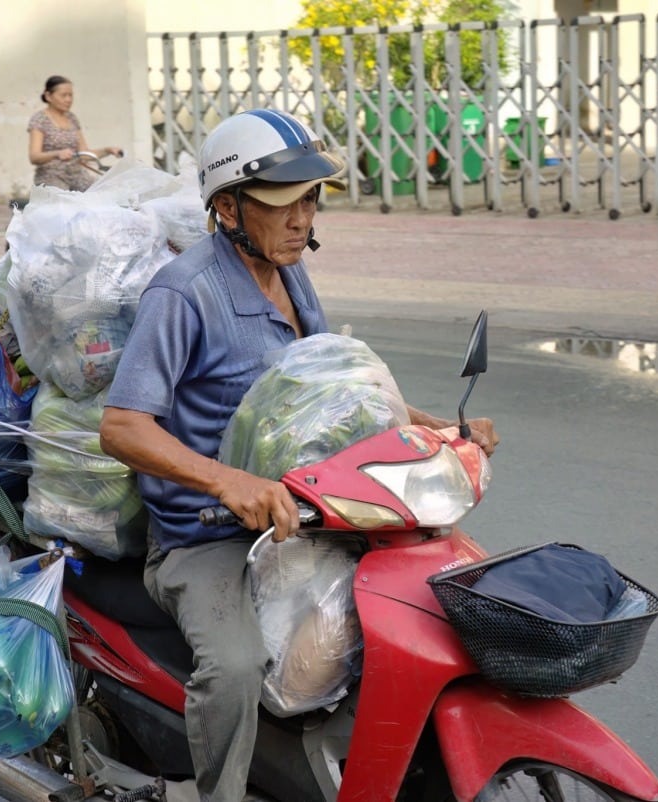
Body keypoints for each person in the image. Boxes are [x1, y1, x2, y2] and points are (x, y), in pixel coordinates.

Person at [99, 108, 497, 802]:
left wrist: (434, 429)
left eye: (310, 201)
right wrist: (227, 483)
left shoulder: (290, 273)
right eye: (284, 203)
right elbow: (124, 428)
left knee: (423, 603)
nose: (301, 219)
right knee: (236, 665)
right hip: (206, 536)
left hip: (306, 514)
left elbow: (328, 385)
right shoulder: (186, 293)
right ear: (227, 208)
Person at [27, 75, 123, 192]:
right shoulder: (39, 119)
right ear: (48, 96)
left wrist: (107, 150)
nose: (68, 99)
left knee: (104, 194)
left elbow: (84, 154)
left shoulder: (72, 118)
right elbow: (34, 157)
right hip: (51, 176)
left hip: (76, 174)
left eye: (70, 95)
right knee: (65, 204)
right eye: (63, 95)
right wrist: (57, 154)